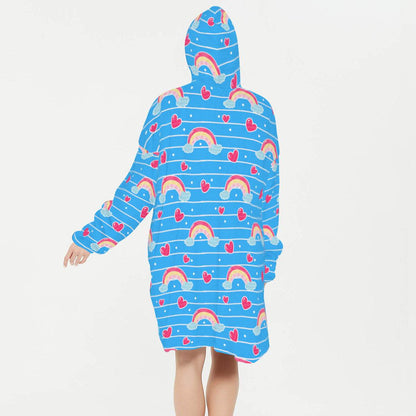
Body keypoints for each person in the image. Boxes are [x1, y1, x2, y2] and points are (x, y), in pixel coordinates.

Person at [64, 5, 283, 415]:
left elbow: (139, 186)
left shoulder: (168, 108)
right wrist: (266, 259)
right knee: (227, 356)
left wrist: (93, 236)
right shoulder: (260, 111)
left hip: (178, 254)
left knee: (187, 360)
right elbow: (268, 196)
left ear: (191, 52)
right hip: (240, 251)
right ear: (233, 52)